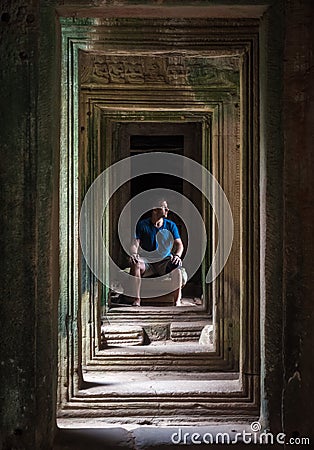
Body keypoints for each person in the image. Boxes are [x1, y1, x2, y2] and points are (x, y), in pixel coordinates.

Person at [129, 199, 184, 306]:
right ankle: (137, 300)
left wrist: (177, 256)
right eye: (164, 207)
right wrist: (134, 254)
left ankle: (177, 302)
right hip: (147, 262)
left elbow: (180, 245)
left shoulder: (170, 225)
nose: (168, 210)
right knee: (135, 264)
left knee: (177, 267)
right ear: (155, 209)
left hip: (164, 261)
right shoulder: (142, 224)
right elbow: (135, 244)